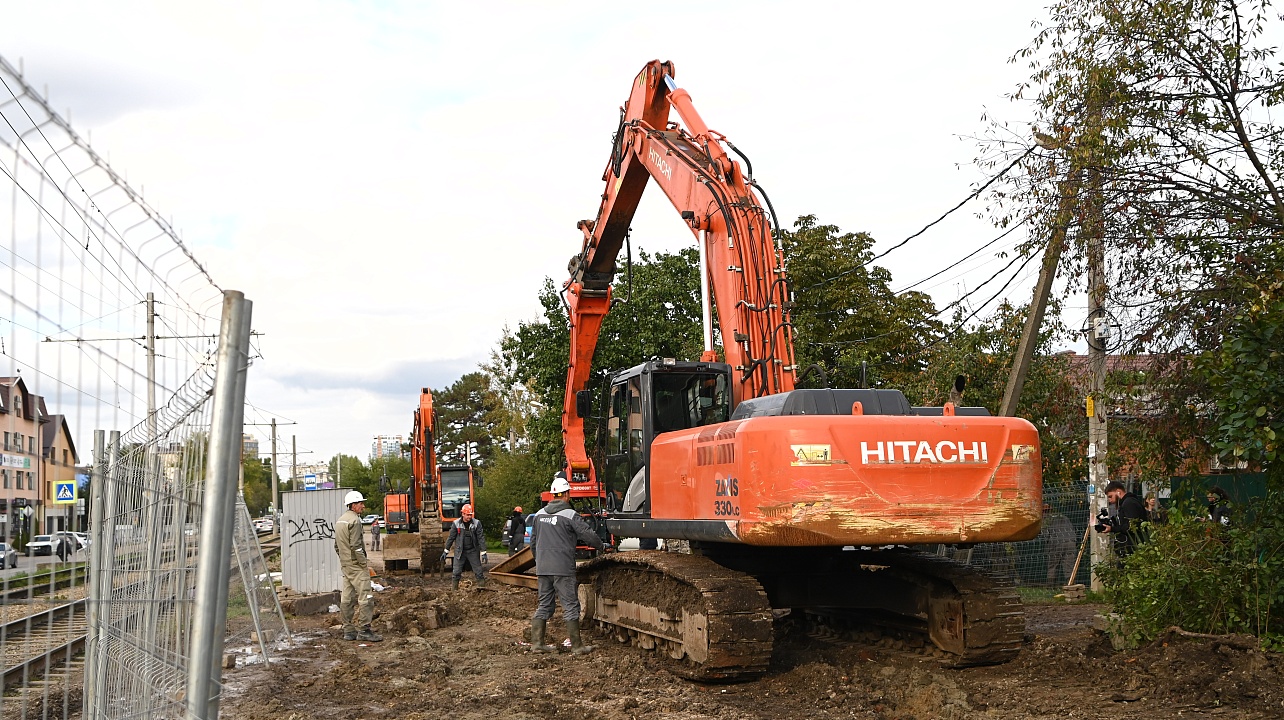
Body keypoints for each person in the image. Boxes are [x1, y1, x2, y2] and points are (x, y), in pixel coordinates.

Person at [528, 472, 605, 655]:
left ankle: (537, 643)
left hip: (543, 567)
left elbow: (532, 542)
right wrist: (601, 546)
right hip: (562, 567)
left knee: (544, 604)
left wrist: (539, 560)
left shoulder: (538, 515)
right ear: (566, 495)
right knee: (570, 605)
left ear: (553, 494)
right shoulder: (570, 514)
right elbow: (587, 534)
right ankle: (577, 646)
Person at [334, 490, 382, 642]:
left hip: (346, 564)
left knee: (347, 598)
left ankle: (348, 631)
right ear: (353, 505)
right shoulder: (355, 521)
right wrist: (363, 563)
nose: (363, 506)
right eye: (361, 503)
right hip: (356, 565)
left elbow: (336, 546)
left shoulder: (340, 520)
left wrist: (345, 559)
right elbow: (356, 546)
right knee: (365, 597)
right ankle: (364, 630)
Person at [443, 503, 486, 590]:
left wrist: (483, 551)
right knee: (456, 572)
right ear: (462, 514)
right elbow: (451, 538)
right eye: (467, 515)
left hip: (473, 550)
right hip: (460, 551)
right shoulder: (456, 524)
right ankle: (454, 591)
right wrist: (446, 550)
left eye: (470, 515)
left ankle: (482, 589)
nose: (469, 517)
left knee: (478, 571)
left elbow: (480, 537)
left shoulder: (477, 523)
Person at [1100, 481, 1147, 557]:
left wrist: (1113, 528)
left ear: (1118, 492)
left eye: (1110, 496)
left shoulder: (1128, 503)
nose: (1110, 500)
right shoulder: (1128, 502)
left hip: (1134, 546)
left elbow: (1131, 526)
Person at [1040, 503, 1076, 586]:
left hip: (1056, 543)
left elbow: (1046, 535)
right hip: (1070, 541)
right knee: (1069, 565)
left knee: (1052, 566)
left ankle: (1050, 586)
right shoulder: (1062, 516)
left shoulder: (1046, 520)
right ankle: (1071, 585)